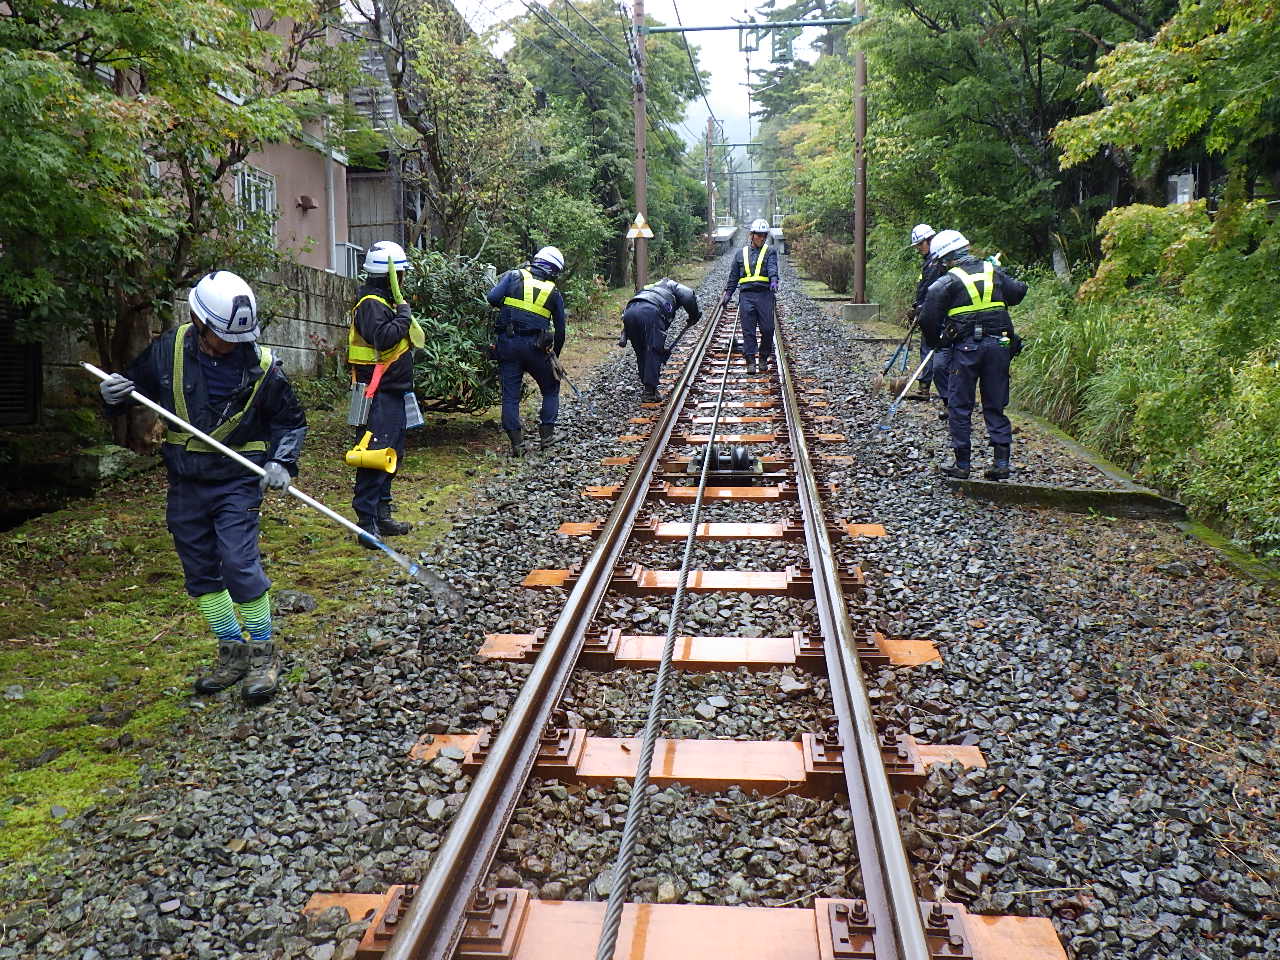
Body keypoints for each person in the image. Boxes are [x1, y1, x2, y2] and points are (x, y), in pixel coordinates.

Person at [98, 271, 306, 704]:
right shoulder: (167, 351)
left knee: (238, 563)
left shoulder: (263, 368)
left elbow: (290, 420)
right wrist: (113, 395)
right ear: (198, 319)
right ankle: (231, 651)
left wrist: (281, 461)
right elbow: (132, 391)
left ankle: (264, 654)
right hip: (186, 480)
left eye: (238, 337)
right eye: (221, 336)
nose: (231, 345)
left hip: (238, 479)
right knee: (200, 570)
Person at [919, 230, 1028, 481]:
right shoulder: (993, 272)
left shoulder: (946, 282)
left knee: (960, 405)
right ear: (966, 248)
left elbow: (927, 317)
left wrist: (939, 342)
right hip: (999, 346)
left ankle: (963, 465)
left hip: (966, 349)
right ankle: (1001, 463)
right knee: (995, 403)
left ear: (945, 258)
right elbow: (1018, 292)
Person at [348, 241, 424, 547]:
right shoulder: (370, 303)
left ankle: (382, 513)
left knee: (392, 456)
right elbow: (383, 337)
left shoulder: (383, 302)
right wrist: (404, 316)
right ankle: (367, 523)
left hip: (393, 393)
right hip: (376, 394)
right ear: (391, 275)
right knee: (374, 458)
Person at [486, 246, 567, 456]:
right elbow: (560, 330)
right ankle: (547, 437)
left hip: (508, 344)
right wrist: (554, 354)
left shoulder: (513, 276)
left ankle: (517, 445)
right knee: (551, 388)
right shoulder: (553, 291)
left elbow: (492, 298)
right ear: (553, 271)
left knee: (510, 395)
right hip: (536, 347)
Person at [619, 277, 702, 401]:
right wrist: (694, 316)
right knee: (653, 350)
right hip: (650, 311)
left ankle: (648, 387)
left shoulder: (650, 287)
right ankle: (649, 392)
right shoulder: (672, 285)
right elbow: (688, 295)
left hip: (629, 312)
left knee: (641, 351)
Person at [721, 219, 779, 374]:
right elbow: (733, 277)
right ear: (752, 235)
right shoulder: (740, 254)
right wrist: (728, 293)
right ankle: (751, 361)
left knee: (768, 329)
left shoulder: (770, 251)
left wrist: (774, 280)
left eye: (764, 236)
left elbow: (773, 268)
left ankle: (763, 357)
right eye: (759, 235)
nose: (761, 238)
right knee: (748, 331)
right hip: (746, 296)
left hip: (765, 295)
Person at [907, 223, 947, 401]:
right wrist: (917, 307)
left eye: (919, 245)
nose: (918, 249)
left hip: (937, 313)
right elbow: (924, 288)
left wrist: (922, 309)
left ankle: (940, 391)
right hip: (928, 311)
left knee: (934, 348)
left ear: (928, 241)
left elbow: (933, 290)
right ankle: (924, 386)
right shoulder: (930, 262)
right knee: (927, 346)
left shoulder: (936, 263)